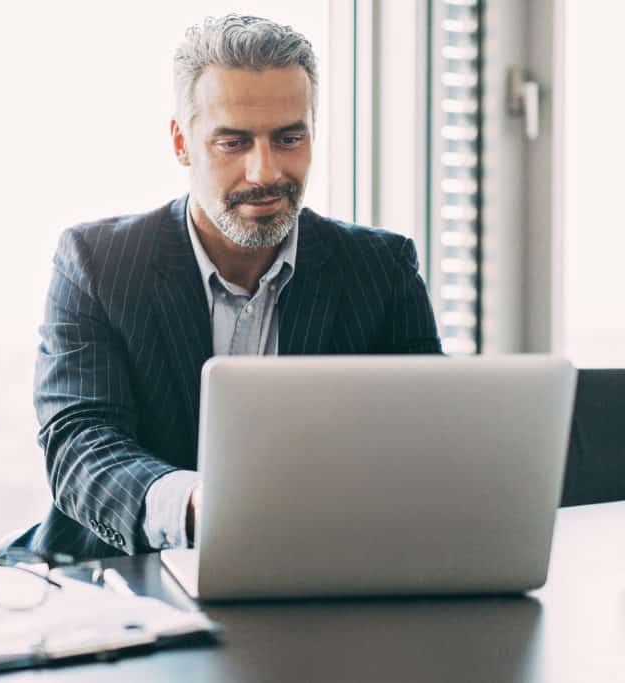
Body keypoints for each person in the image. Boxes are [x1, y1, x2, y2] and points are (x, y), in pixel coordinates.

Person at [26, 15, 441, 560]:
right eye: (234, 142)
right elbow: (80, 445)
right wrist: (196, 505)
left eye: (289, 138)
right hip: (128, 583)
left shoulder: (382, 268)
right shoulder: (97, 262)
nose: (264, 172)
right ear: (182, 142)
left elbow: (429, 442)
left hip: (323, 576)